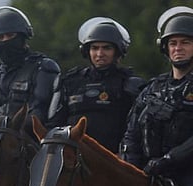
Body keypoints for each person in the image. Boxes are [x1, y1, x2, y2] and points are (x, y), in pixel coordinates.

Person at [121, 6, 193, 186]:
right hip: (147, 174)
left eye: (185, 42)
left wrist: (168, 160)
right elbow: (131, 133)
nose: (178, 48)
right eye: (173, 43)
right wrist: (130, 170)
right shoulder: (152, 88)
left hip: (186, 175)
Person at [48, 17, 146, 153]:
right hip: (72, 161)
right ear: (86, 51)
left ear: (118, 51)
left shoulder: (130, 84)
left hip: (113, 160)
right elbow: (53, 126)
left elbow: (139, 132)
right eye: (95, 48)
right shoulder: (69, 82)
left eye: (107, 48)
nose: (100, 54)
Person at [0, 6, 61, 146]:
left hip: (31, 150)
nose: (5, 41)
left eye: (10, 36)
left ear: (23, 36)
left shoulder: (43, 68)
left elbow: (38, 116)